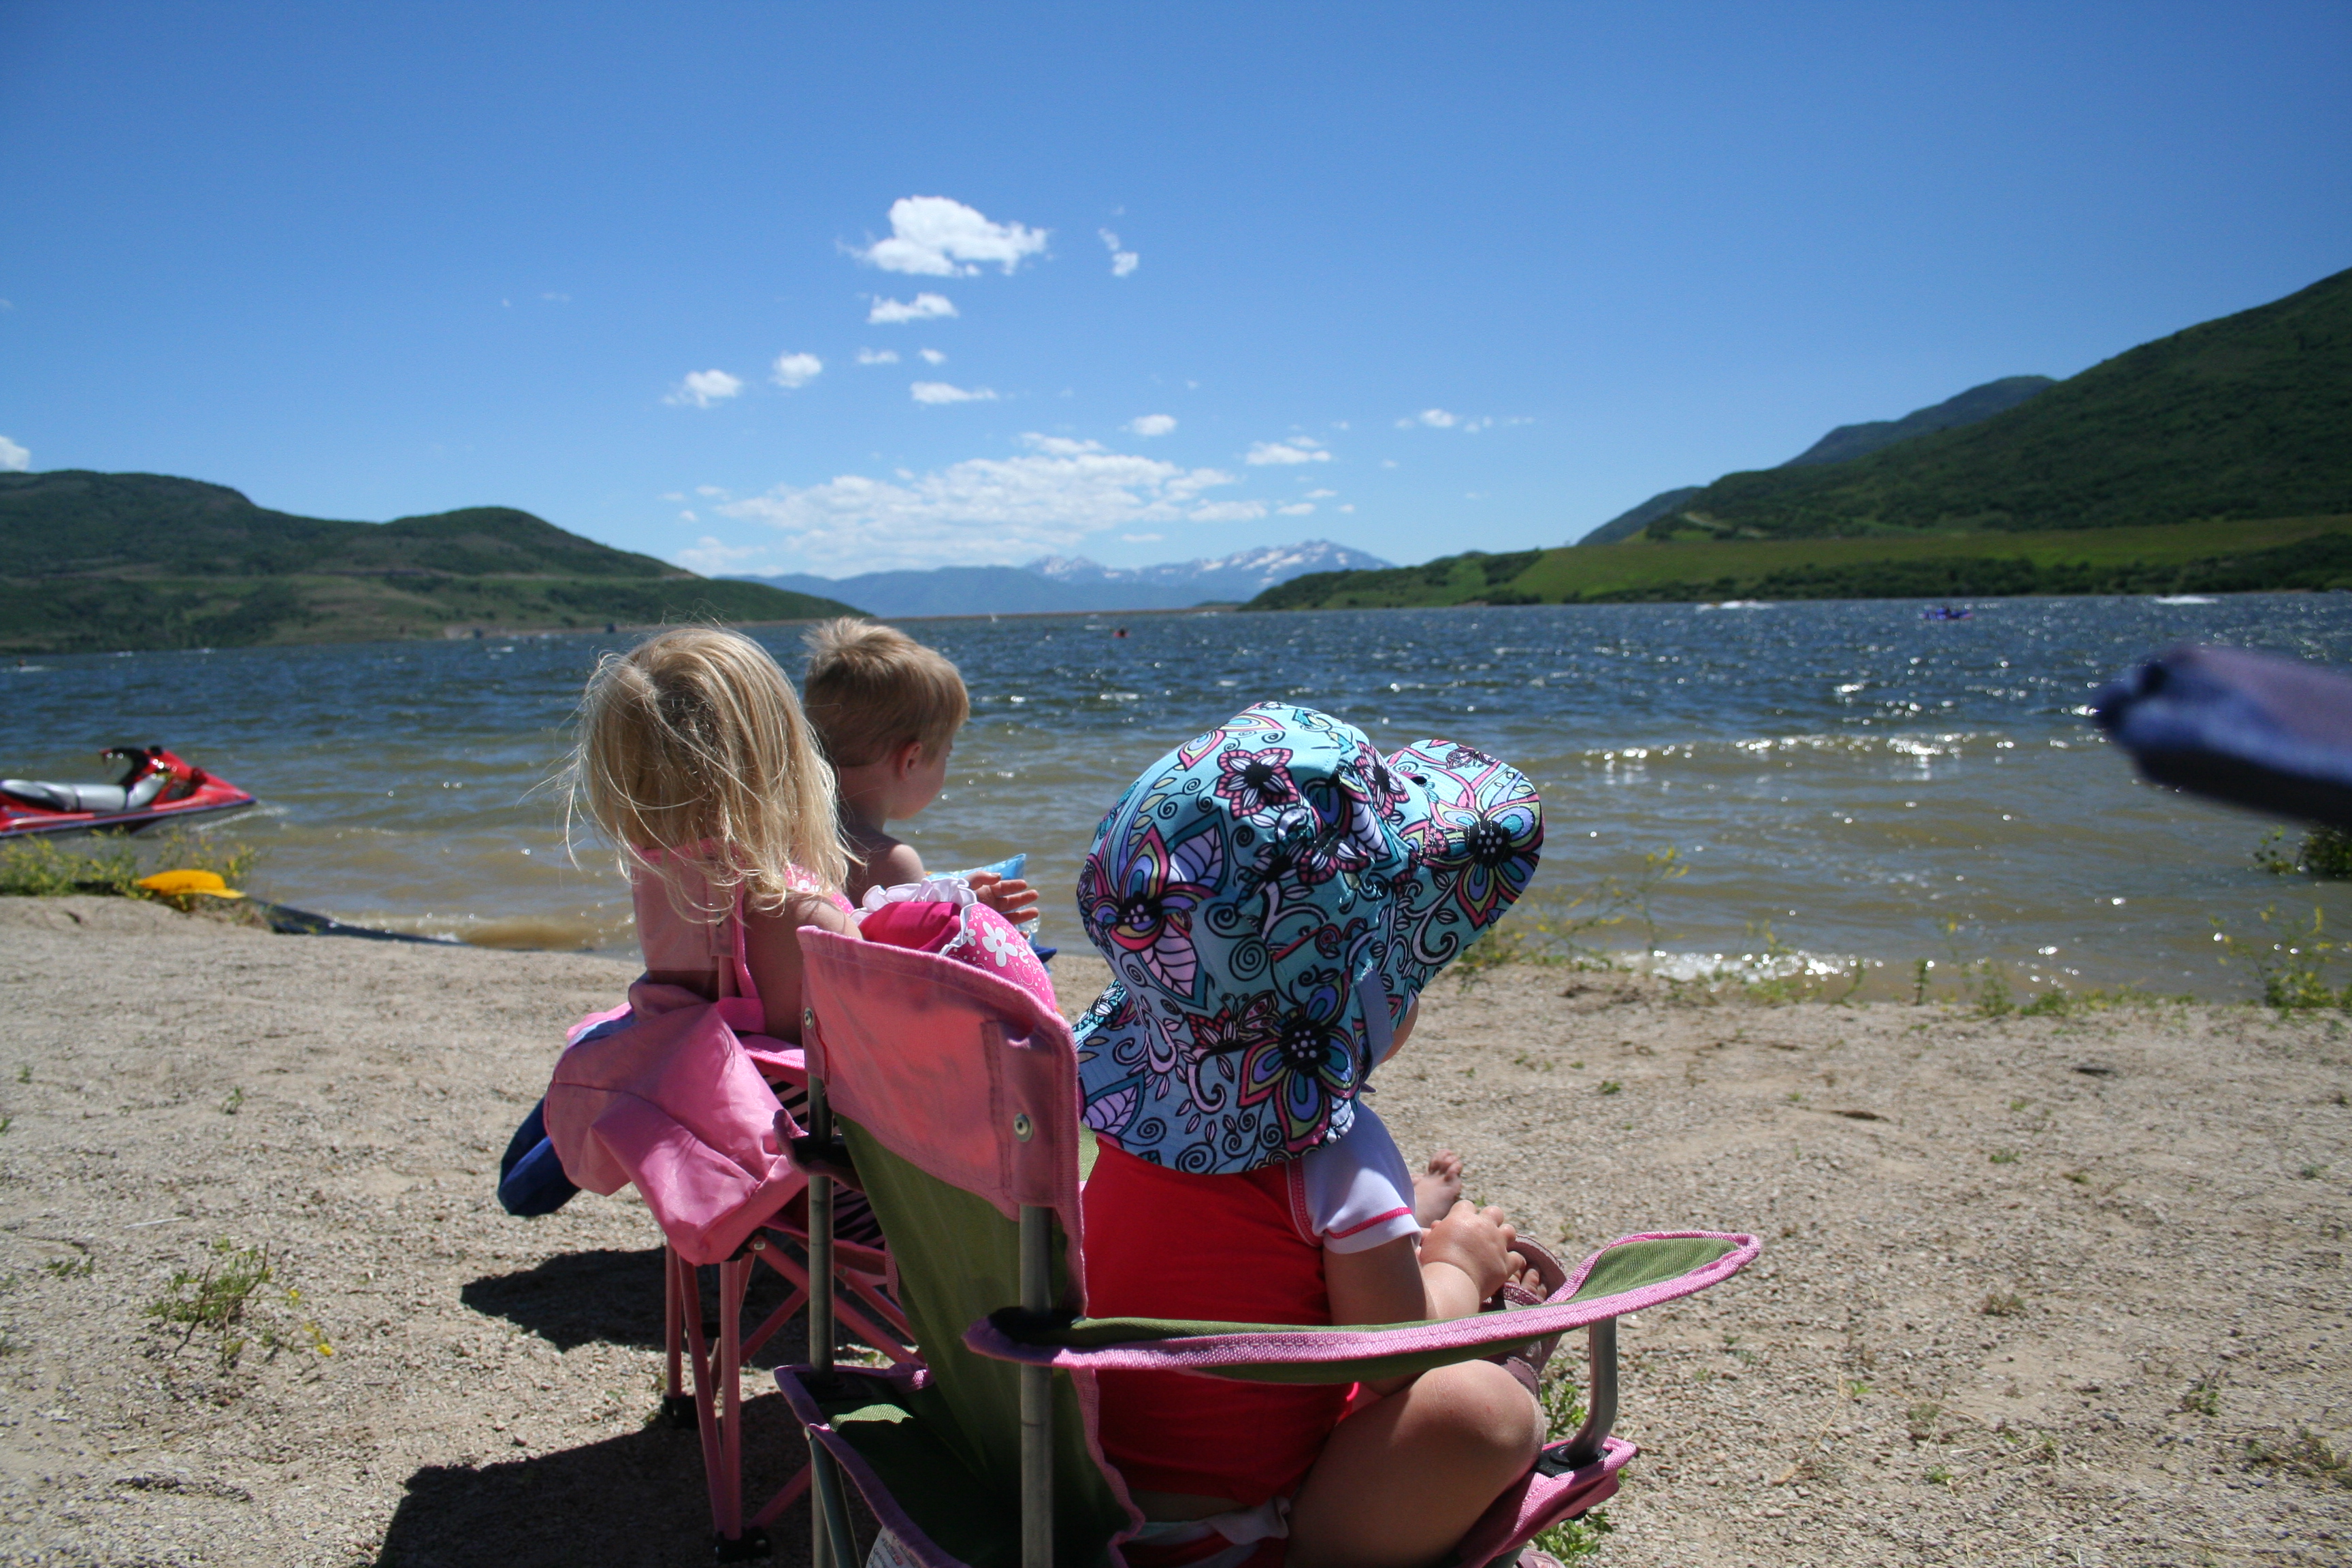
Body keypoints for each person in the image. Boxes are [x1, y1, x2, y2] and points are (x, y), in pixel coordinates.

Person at [1073, 702, 1549, 1568]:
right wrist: (1455, 1267)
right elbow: (1392, 1356)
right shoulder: (1334, 1155)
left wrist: (1398, 1217)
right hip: (1223, 1531)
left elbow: (1234, 1259)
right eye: (1407, 968)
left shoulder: (1132, 1111)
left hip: (1076, 1486)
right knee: (1489, 1412)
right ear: (1359, 998)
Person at [568, 625, 860, 1042]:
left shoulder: (660, 874)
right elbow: (853, 1057)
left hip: (689, 1081)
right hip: (777, 1102)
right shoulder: (799, 917)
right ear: (785, 753)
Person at [800, 618, 1038, 923]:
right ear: (911, 759)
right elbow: (916, 961)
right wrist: (968, 920)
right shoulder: (888, 862)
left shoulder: (781, 833)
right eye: (946, 753)